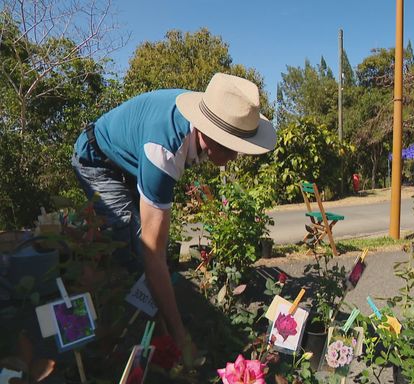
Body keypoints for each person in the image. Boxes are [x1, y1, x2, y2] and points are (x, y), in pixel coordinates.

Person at [71, 73, 277, 354]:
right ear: (209, 134)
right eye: (232, 149)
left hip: (129, 161)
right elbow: (152, 253)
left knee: (148, 247)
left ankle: (156, 318)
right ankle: (121, 338)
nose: (235, 157)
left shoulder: (213, 110)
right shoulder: (164, 149)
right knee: (129, 243)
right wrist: (182, 337)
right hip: (98, 160)